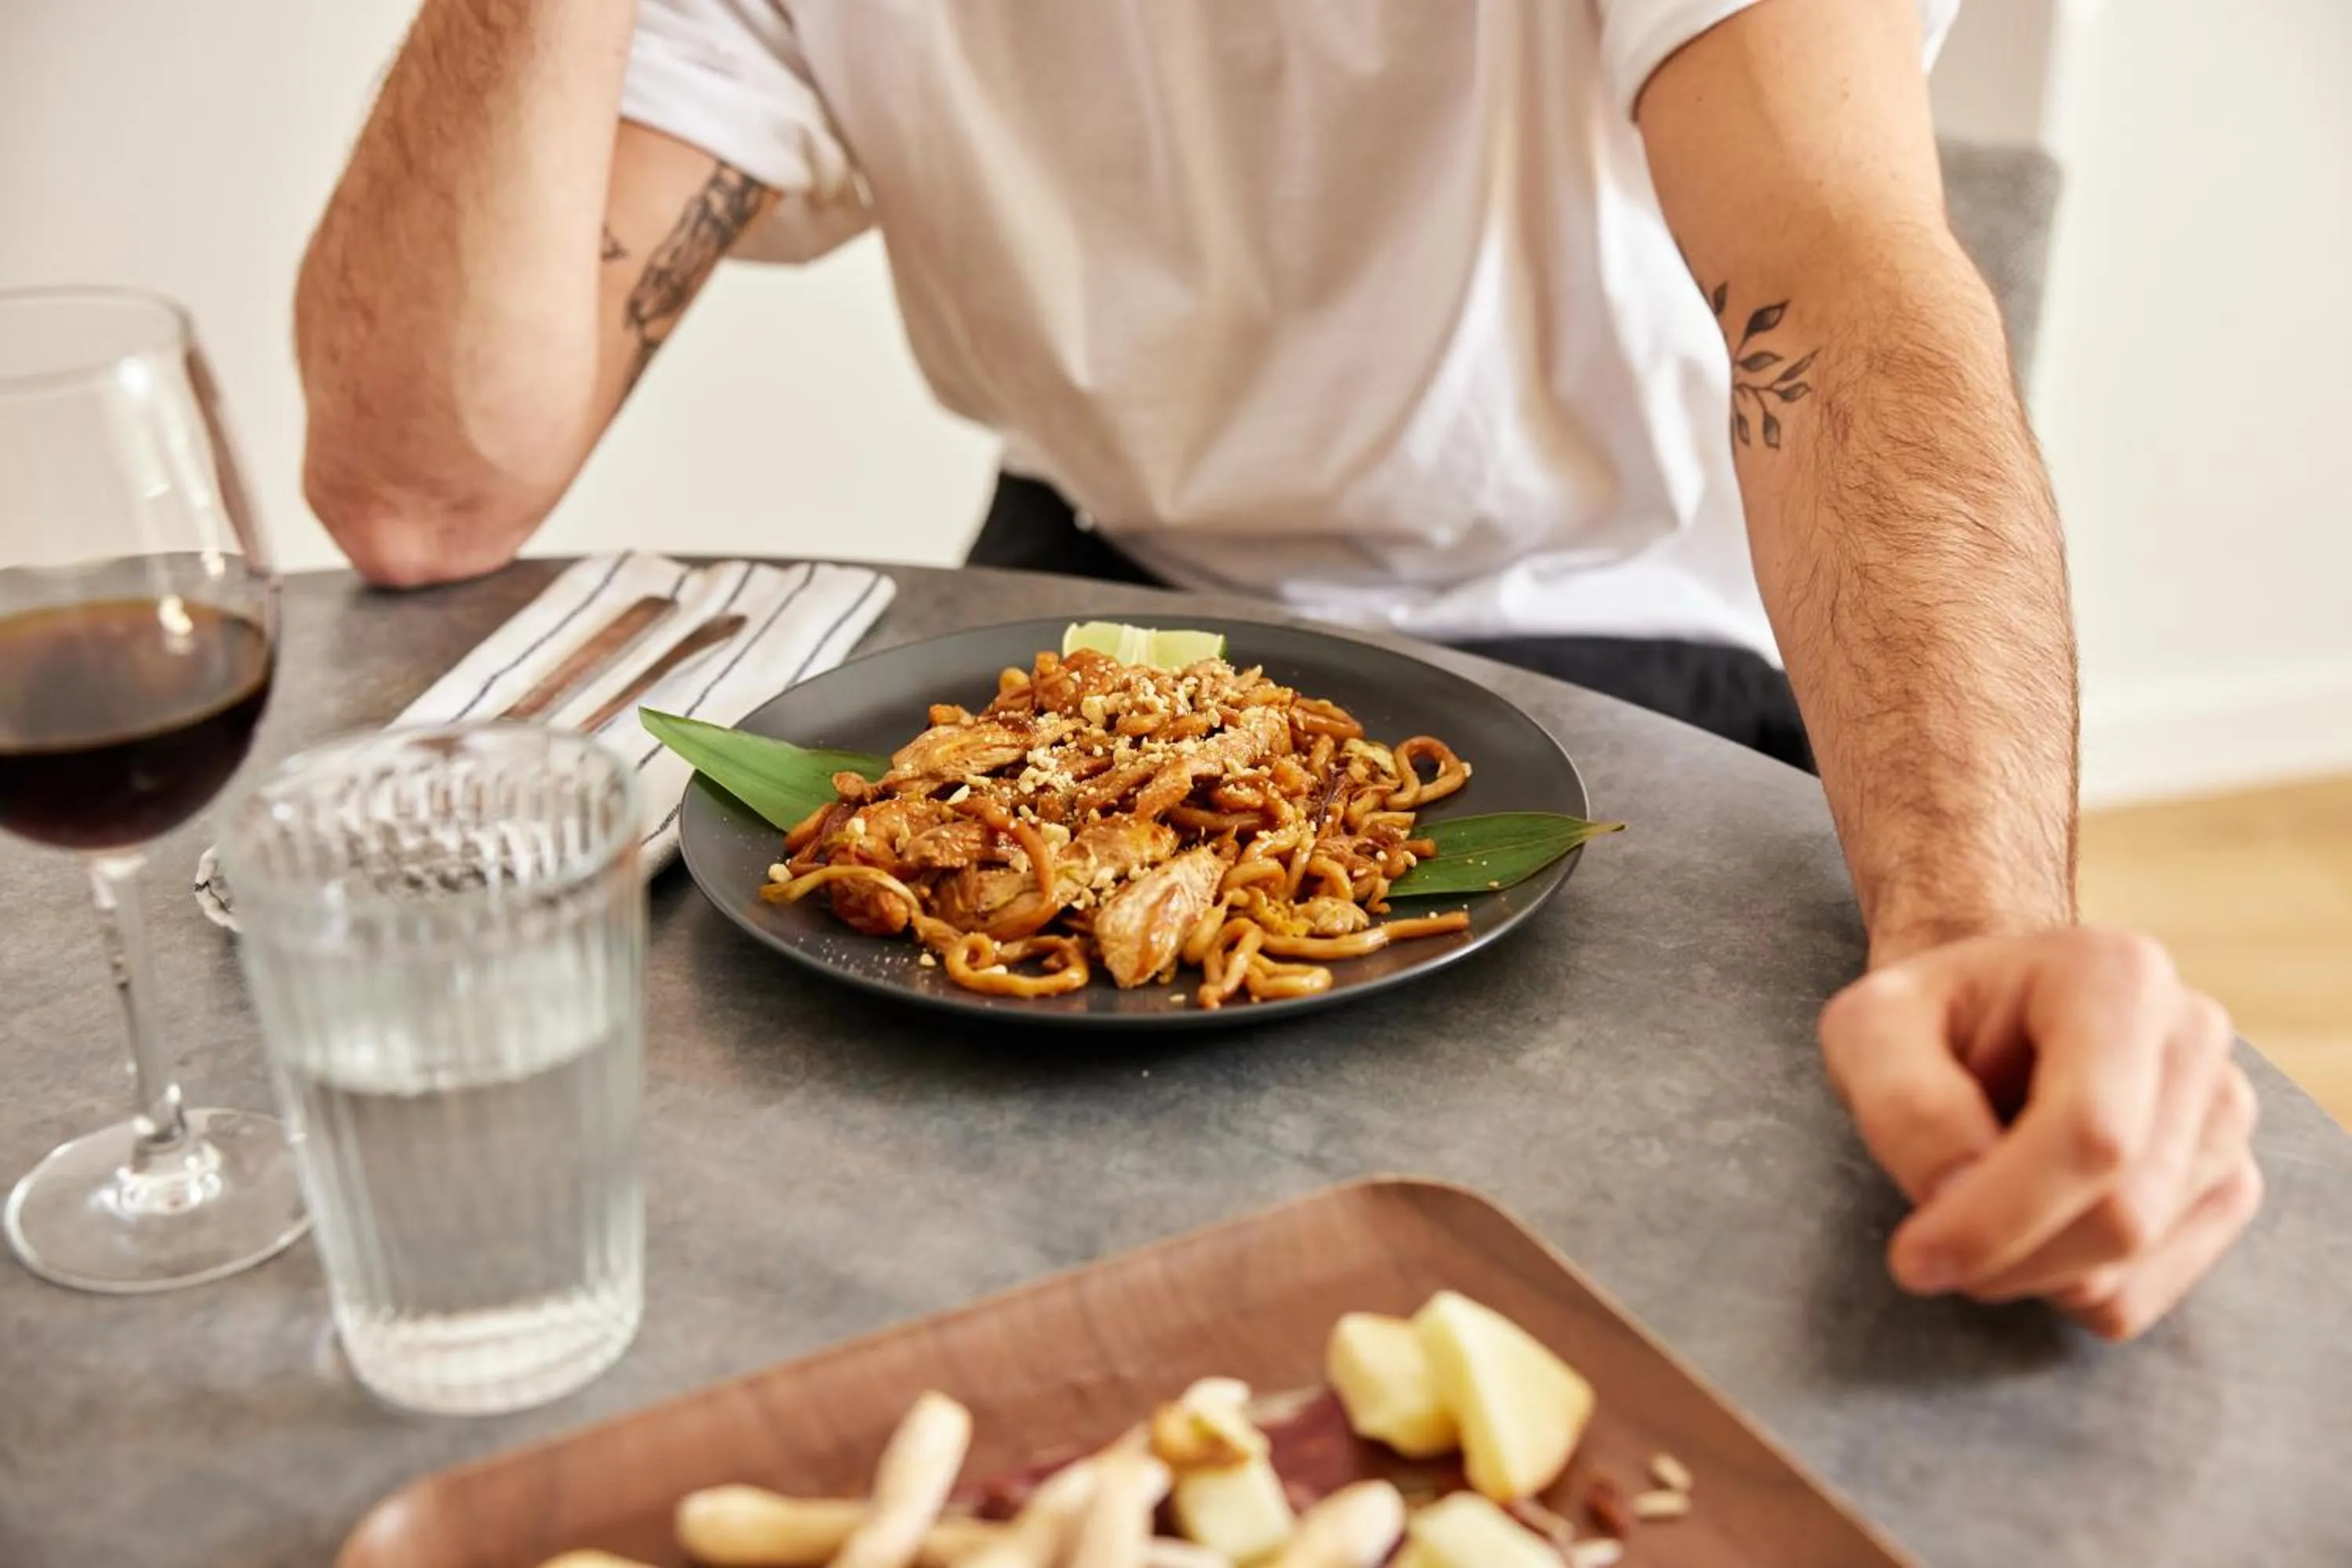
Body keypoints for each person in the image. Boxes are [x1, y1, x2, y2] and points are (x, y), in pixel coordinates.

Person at [294, 0, 2260, 1339]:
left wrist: (1976, 918)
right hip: (1086, 597)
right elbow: (417, 482)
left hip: (1630, 626)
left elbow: (1845, 278)